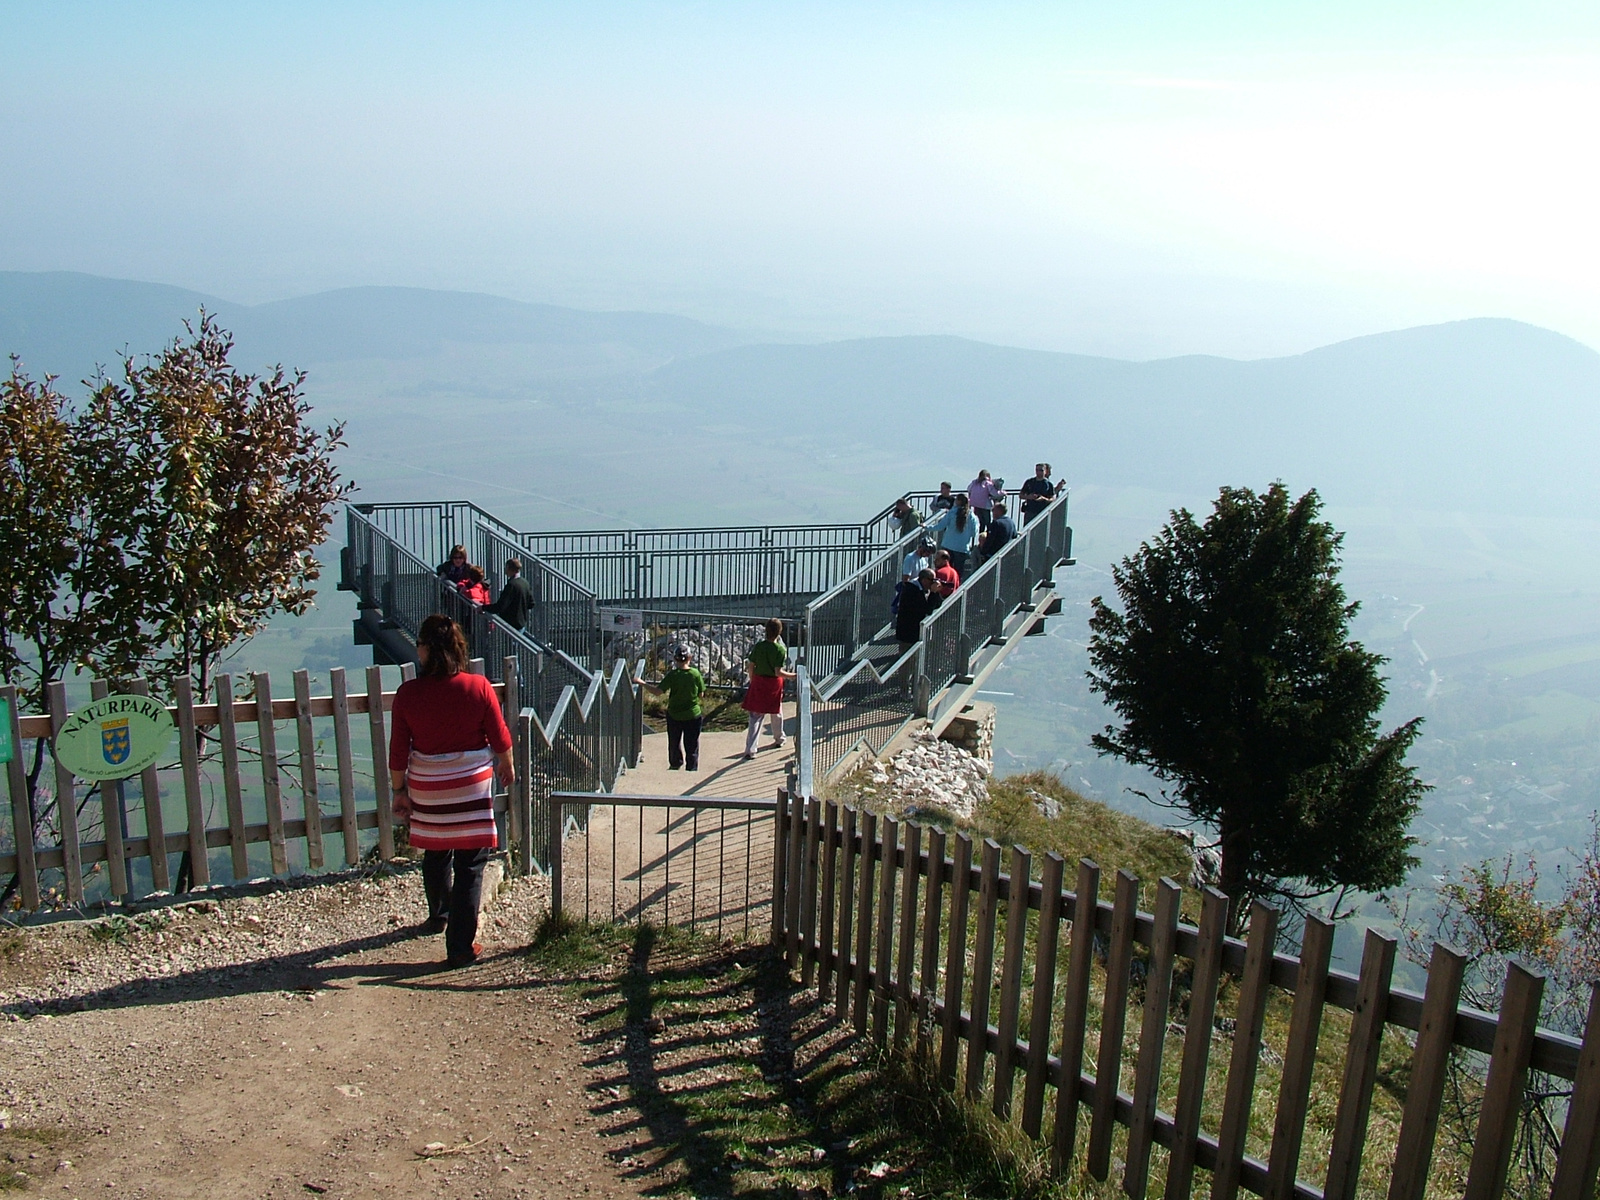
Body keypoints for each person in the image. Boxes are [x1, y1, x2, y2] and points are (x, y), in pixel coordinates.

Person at [389, 615, 514, 968]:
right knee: (471, 864)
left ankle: (439, 913)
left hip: (430, 789)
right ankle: (459, 946)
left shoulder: (408, 694)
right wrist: (507, 764)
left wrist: (400, 790)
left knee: (436, 848)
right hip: (470, 789)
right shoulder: (478, 687)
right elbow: (499, 736)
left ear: (425, 650)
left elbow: (399, 750)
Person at [638, 645, 706, 771]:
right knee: (692, 743)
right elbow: (701, 694)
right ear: (689, 658)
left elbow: (658, 691)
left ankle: (676, 763)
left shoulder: (673, 675)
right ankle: (692, 766)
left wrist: (642, 683)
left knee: (674, 741)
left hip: (675, 714)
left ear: (675, 659)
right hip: (693, 714)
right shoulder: (695, 674)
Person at [742, 618, 795, 759]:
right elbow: (778, 672)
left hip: (758, 681)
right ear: (779, 632)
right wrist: (793, 676)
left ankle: (750, 749)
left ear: (766, 630)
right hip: (773, 684)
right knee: (776, 711)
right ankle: (779, 738)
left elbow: (751, 665)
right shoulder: (780, 650)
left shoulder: (759, 647)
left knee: (755, 716)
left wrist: (753, 679)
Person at [927, 493, 980, 576]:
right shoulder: (972, 516)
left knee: (944, 571)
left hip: (948, 545)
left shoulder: (952, 512)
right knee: (958, 574)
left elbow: (940, 526)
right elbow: (974, 533)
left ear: (958, 501)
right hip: (962, 548)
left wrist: (926, 527)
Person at [895, 568, 943, 649]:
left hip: (917, 633)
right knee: (907, 658)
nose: (933, 583)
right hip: (908, 633)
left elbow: (937, 605)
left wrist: (936, 592)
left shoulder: (921, 589)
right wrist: (933, 593)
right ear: (924, 580)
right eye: (932, 580)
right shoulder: (911, 590)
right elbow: (928, 609)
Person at [489, 558, 534, 631]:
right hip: (521, 623)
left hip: (511, 625)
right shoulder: (525, 583)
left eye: (506, 567)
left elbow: (500, 606)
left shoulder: (511, 585)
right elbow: (531, 603)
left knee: (510, 642)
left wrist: (483, 607)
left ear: (509, 568)